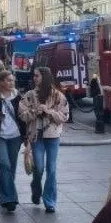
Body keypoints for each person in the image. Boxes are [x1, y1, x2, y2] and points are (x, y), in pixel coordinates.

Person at [18, 66, 69, 213]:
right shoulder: (29, 95)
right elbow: (22, 114)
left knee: (51, 169)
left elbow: (65, 115)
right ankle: (36, 186)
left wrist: (49, 112)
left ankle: (50, 201)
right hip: (36, 136)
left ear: (45, 77)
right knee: (39, 167)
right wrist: (35, 111)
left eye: (37, 76)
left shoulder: (58, 96)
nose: (34, 78)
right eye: (34, 75)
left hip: (53, 136)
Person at [0, 71, 23, 212]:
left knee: (10, 168)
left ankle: (5, 198)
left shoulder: (18, 97)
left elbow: (23, 117)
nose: (12, 83)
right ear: (1, 82)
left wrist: (27, 136)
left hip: (15, 137)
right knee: (3, 164)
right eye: (8, 80)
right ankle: (11, 198)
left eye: (12, 80)